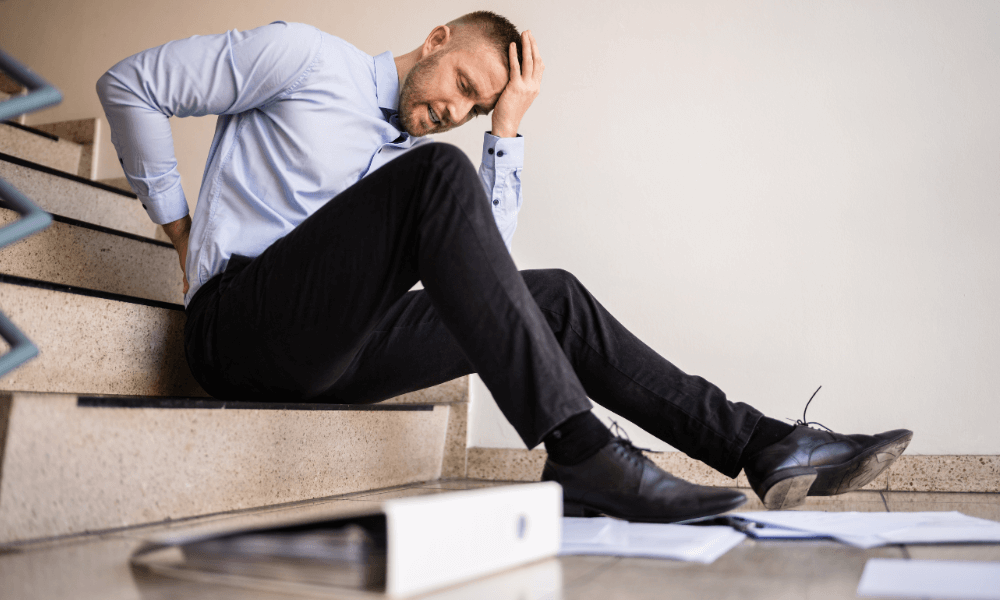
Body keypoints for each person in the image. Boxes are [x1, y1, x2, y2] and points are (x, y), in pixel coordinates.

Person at [97, 11, 912, 522]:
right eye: (460, 87)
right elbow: (131, 83)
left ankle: (760, 442)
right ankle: (581, 447)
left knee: (548, 296)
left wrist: (508, 129)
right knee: (436, 175)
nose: (453, 110)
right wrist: (176, 230)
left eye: (471, 107)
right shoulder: (306, 59)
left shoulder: (412, 161)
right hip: (235, 329)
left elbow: (487, 273)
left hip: (330, 353)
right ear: (436, 39)